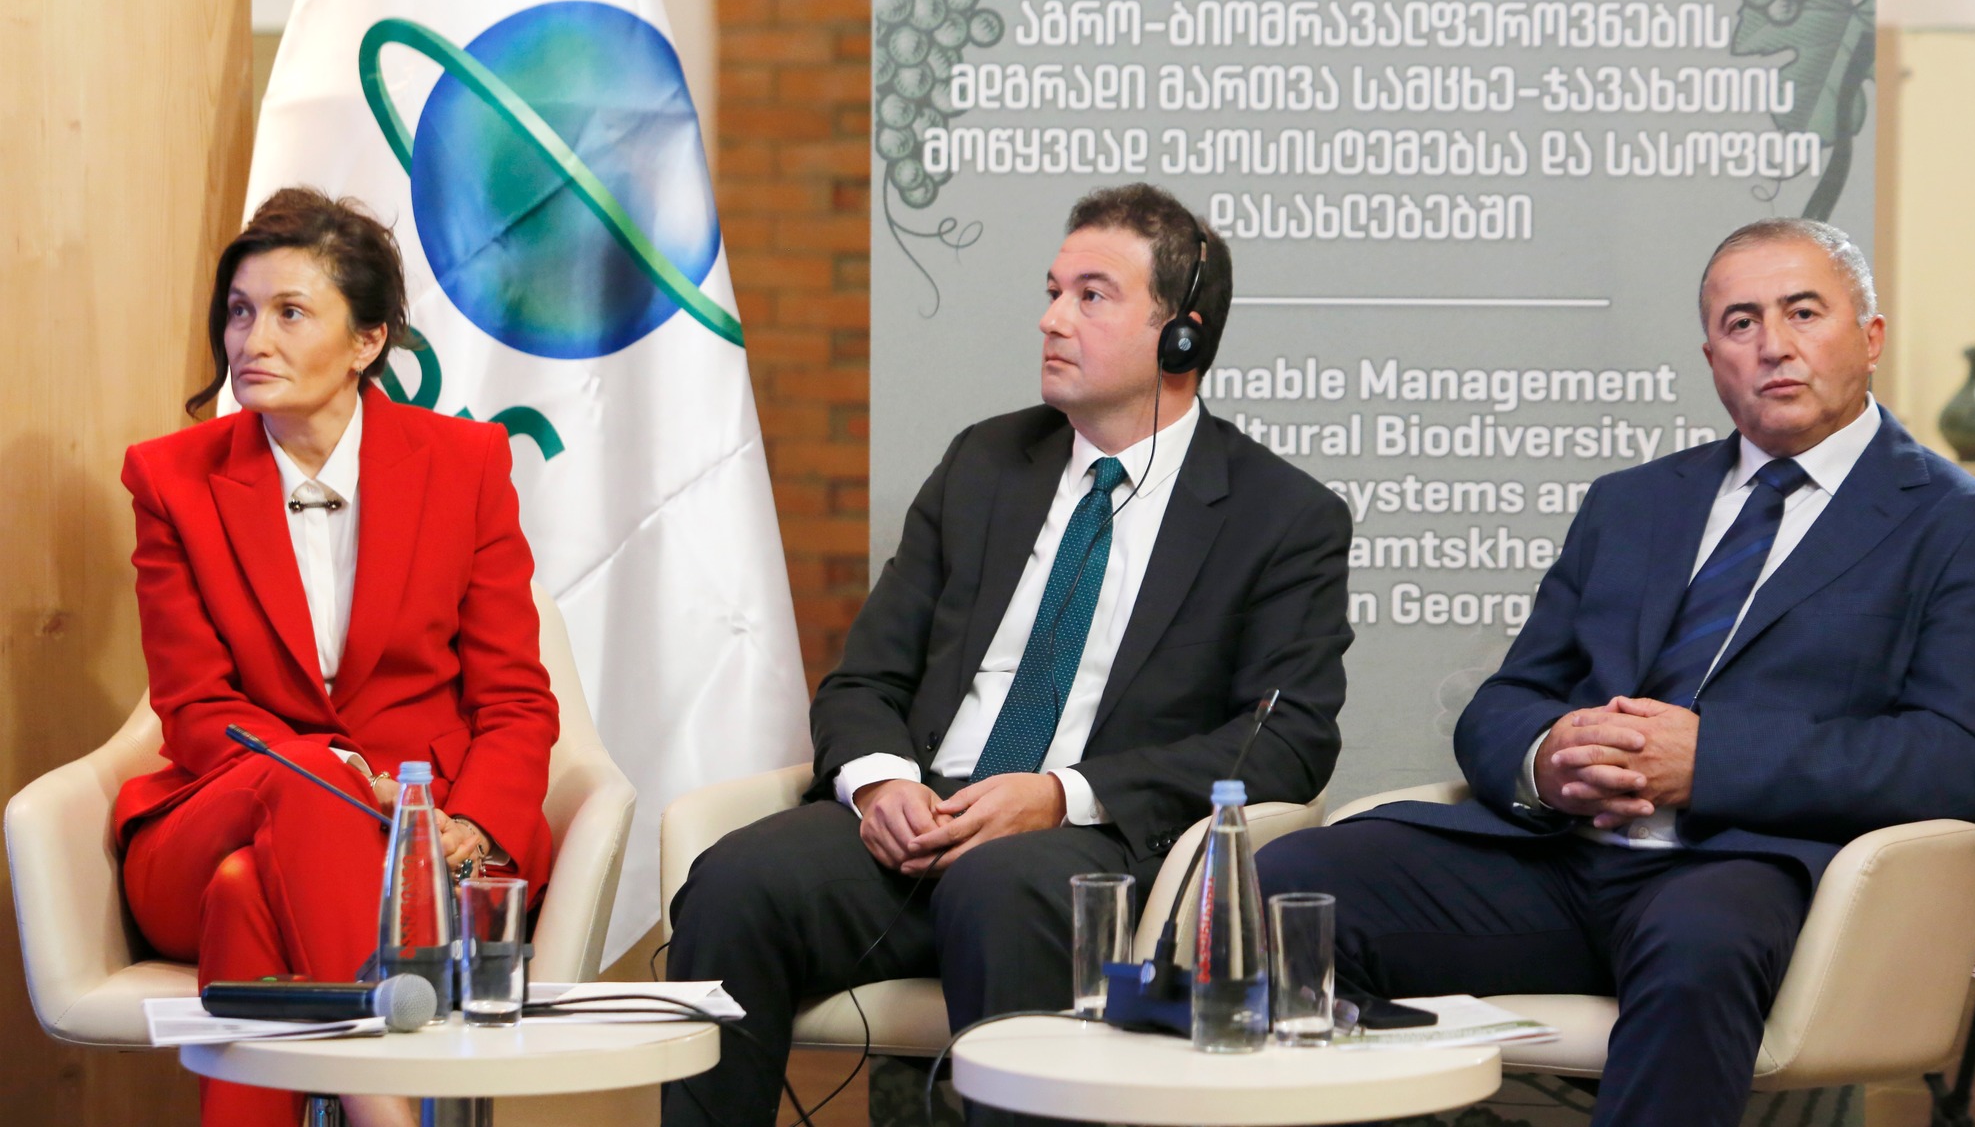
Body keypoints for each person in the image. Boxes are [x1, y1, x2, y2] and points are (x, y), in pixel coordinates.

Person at [1260, 217, 1975, 1127]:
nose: (1773, 345)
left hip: (1743, 865)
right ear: (1712, 358)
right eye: (1740, 323)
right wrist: (1548, 756)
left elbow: (1958, 762)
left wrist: (1709, 762)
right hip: (1558, 856)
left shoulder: (1956, 524)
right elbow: (1506, 702)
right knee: (1289, 882)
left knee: (1698, 942)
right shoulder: (1631, 503)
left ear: (1870, 337)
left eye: (1803, 312)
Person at [663, 183, 1353, 1127]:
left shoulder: (1280, 515)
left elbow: (1288, 740)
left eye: (1091, 296)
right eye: (1053, 291)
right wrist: (879, 782)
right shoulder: (984, 464)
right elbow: (866, 678)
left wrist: (1060, 795)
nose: (1051, 319)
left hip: (1087, 846)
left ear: (1181, 337)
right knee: (736, 879)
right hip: (920, 819)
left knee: (997, 888)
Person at [115, 188, 561, 1127]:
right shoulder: (171, 479)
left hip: (430, 846)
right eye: (240, 312)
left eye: (289, 313)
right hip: (214, 819)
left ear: (367, 341)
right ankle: (386, 1112)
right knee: (303, 778)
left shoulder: (466, 465)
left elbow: (516, 699)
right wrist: (343, 782)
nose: (251, 341)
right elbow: (196, 710)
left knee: (248, 894)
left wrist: (473, 823)